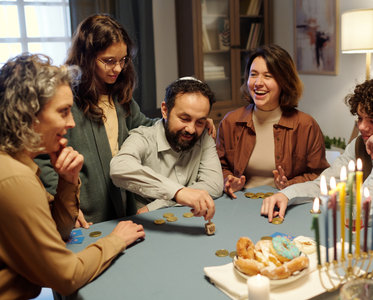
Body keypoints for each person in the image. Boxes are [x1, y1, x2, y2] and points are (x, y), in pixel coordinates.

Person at [35, 14, 215, 226]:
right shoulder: (66, 104)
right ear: (86, 57)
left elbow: (148, 127)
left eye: (123, 60)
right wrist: (65, 204)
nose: (118, 69)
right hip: (83, 216)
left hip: (120, 211)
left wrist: (192, 121)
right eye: (109, 61)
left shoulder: (121, 100)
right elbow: (43, 159)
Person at [0, 53, 145, 299]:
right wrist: (116, 240)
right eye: (63, 111)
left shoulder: (19, 164)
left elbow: (59, 231)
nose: (72, 123)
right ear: (29, 115)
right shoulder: (14, 179)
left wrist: (67, 182)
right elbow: (66, 276)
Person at [261, 74, 373, 241]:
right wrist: (286, 194)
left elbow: (368, 214)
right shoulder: (360, 144)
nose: (362, 127)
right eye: (360, 118)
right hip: (365, 238)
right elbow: (325, 185)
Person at [216, 44, 329, 198]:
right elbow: (218, 167)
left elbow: (319, 174)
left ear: (284, 82)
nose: (258, 83)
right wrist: (227, 180)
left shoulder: (306, 125)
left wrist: (289, 185)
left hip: (287, 202)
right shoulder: (231, 122)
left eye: (268, 76)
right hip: (238, 201)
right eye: (253, 74)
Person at [110, 77, 223, 220]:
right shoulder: (143, 137)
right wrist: (178, 193)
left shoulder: (204, 137)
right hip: (146, 227)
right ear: (165, 110)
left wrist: (166, 200)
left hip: (191, 222)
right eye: (184, 118)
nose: (191, 129)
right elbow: (119, 168)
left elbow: (214, 185)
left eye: (200, 122)